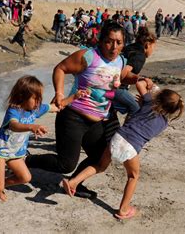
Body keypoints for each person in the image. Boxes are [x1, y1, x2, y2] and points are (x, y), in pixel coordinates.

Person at [26, 22, 152, 199]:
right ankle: (27, 160)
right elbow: (60, 69)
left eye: (119, 42)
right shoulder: (88, 56)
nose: (114, 47)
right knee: (65, 164)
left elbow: (123, 76)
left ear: (124, 44)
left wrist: (139, 78)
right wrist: (59, 93)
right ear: (101, 41)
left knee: (101, 158)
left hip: (97, 120)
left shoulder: (121, 60)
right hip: (73, 116)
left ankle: (76, 183)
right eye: (109, 41)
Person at [0, 75, 87, 228]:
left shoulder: (35, 109)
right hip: (0, 151)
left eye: (40, 98)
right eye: (35, 98)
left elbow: (57, 106)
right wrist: (32, 127)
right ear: (22, 96)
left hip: (15, 153)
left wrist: (75, 97)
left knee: (25, 177)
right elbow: (14, 126)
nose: (38, 102)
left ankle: (1, 186)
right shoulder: (14, 111)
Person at [62, 85, 184, 220]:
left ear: (159, 97)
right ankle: (123, 209)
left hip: (117, 136)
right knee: (133, 176)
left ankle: (73, 182)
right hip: (131, 146)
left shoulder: (148, 102)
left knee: (100, 166)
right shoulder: (164, 123)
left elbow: (143, 85)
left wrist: (149, 91)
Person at [113, 27, 157, 116]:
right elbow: (123, 73)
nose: (153, 51)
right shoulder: (140, 56)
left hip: (106, 81)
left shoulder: (130, 47)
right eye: (153, 48)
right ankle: (128, 129)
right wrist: (141, 79)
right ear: (147, 45)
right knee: (136, 108)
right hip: (116, 88)